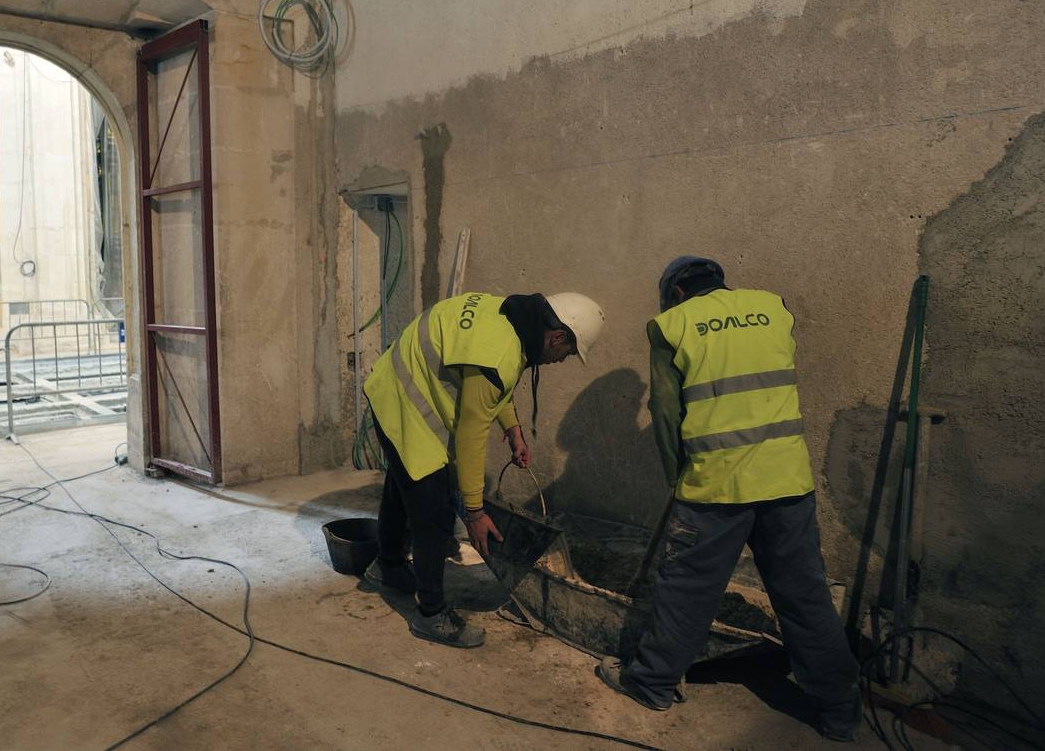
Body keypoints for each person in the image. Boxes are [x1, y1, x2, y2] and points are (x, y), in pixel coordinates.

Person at [596, 257, 860, 742]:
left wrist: (677, 476)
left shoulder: (671, 326)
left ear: (676, 293)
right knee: (805, 596)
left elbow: (664, 409)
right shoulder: (772, 308)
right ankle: (840, 711)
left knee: (689, 589)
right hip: (787, 482)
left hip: (717, 487)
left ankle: (652, 682)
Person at [361, 291, 605, 648]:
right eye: (567, 353)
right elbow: (471, 434)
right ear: (557, 337)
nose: (561, 361)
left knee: (403, 486)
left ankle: (387, 566)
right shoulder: (501, 354)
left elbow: (493, 384)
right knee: (434, 511)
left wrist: (512, 428)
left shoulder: (511, 318)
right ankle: (431, 615)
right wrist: (474, 511)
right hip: (403, 400)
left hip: (391, 383)